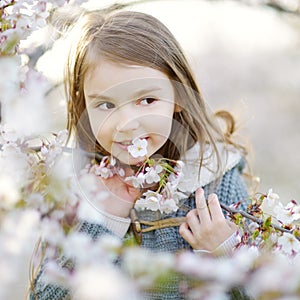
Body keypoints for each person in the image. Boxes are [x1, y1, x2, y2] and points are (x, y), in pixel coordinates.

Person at [30, 8, 250, 300]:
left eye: (147, 99)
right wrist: (103, 221)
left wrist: (225, 254)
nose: (126, 123)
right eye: (105, 105)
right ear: (85, 108)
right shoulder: (79, 192)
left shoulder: (215, 182)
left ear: (179, 97)